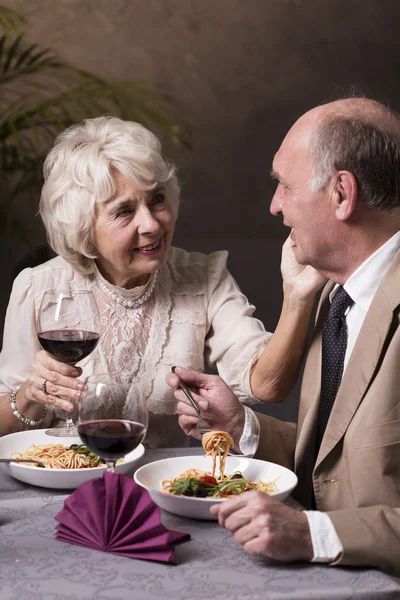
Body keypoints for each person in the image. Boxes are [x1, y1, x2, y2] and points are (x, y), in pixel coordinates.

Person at [168, 97, 400, 578]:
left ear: (341, 194)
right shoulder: (334, 298)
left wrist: (315, 534)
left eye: (284, 186)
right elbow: (341, 466)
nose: (274, 206)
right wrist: (240, 427)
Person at [0, 116, 324, 446]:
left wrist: (297, 296)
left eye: (156, 199)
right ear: (84, 228)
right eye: (124, 211)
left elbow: (268, 385)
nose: (152, 225)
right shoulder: (38, 288)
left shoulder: (203, 278)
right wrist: (29, 395)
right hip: (60, 486)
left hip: (161, 488)